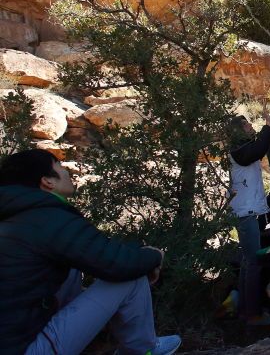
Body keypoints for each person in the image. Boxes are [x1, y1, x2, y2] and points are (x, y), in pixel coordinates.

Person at [0, 149, 181, 355]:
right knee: (131, 277)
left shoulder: (15, 214)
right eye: (59, 165)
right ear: (47, 182)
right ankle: (144, 350)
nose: (67, 170)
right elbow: (120, 264)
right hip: (25, 349)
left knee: (69, 268)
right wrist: (154, 255)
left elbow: (98, 254)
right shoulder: (47, 218)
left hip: (16, 337)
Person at [227, 111, 270, 326]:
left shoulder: (242, 149)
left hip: (247, 210)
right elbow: (259, 147)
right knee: (253, 261)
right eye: (246, 124)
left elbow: (261, 144)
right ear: (237, 131)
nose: (250, 126)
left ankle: (242, 307)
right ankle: (252, 314)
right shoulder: (239, 151)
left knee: (247, 261)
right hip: (245, 212)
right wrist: (268, 126)